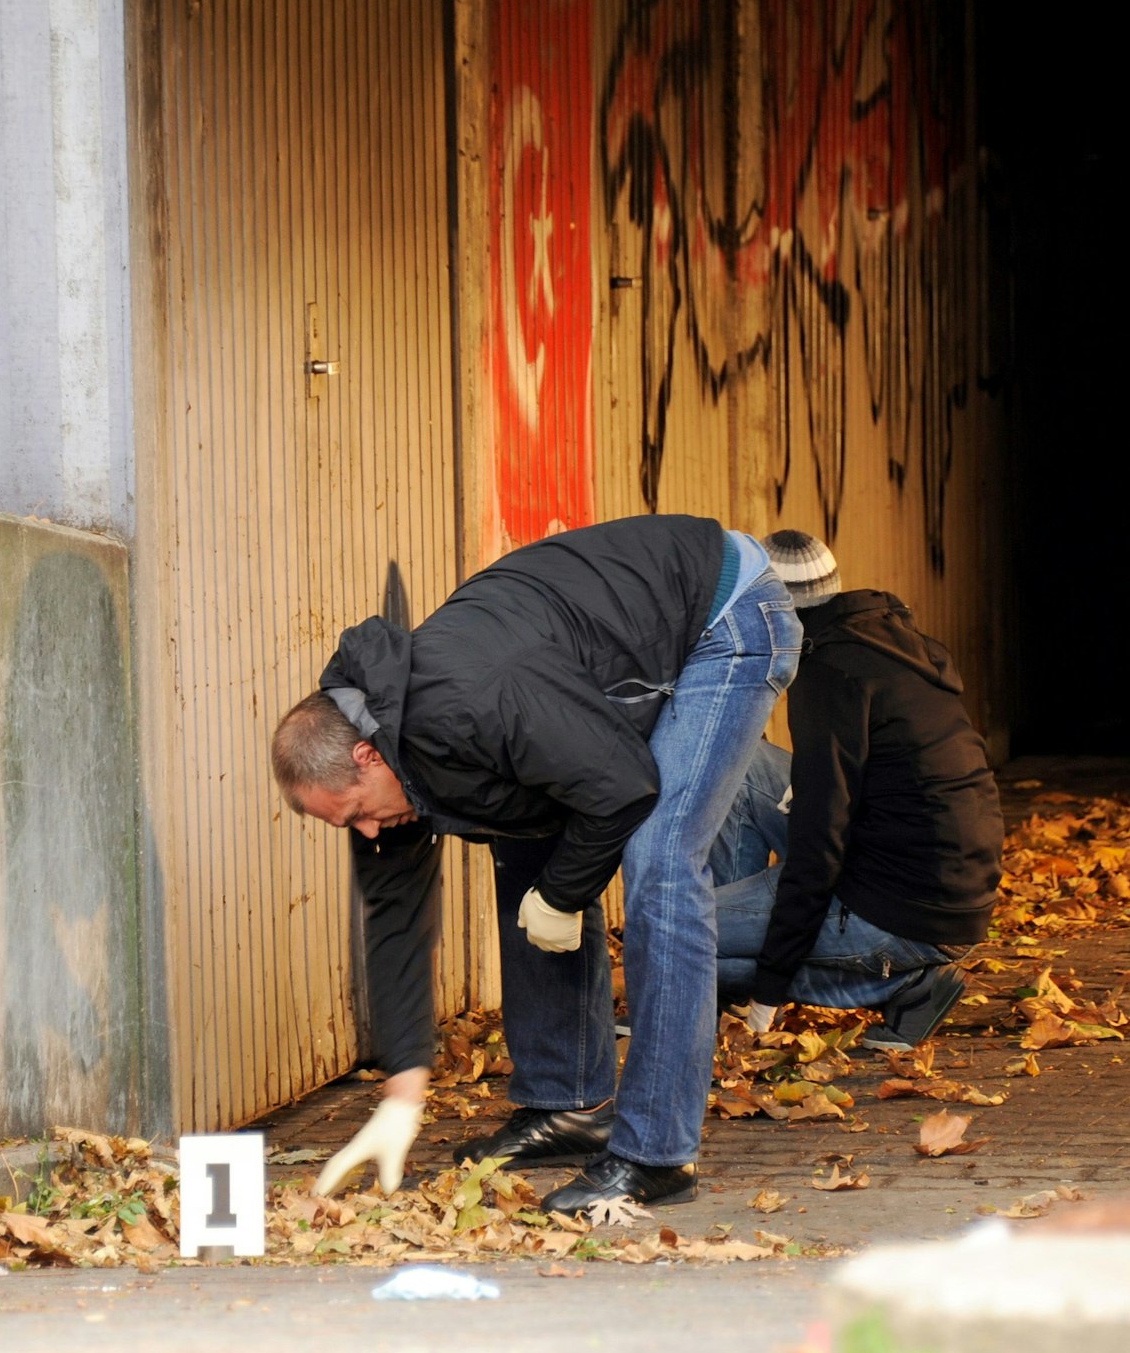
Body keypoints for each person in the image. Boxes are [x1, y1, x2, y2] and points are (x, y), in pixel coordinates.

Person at [271, 514, 799, 1212]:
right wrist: (402, 1095)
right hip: (619, 652)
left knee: (660, 860)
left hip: (725, 615)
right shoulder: (378, 762)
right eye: (350, 827)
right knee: (525, 845)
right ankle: (568, 1101)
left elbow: (621, 786)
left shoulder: (470, 699)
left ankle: (657, 1153)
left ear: (367, 757)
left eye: (359, 813)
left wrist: (562, 895)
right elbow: (395, 922)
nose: (368, 832)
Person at [714, 532, 1002, 1049]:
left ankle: (902, 986)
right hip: (941, 882)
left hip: (906, 911)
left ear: (772, 607)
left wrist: (769, 992)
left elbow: (819, 846)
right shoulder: (882, 644)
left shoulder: (830, 676)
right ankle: (724, 963)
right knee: (745, 760)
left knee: (671, 929)